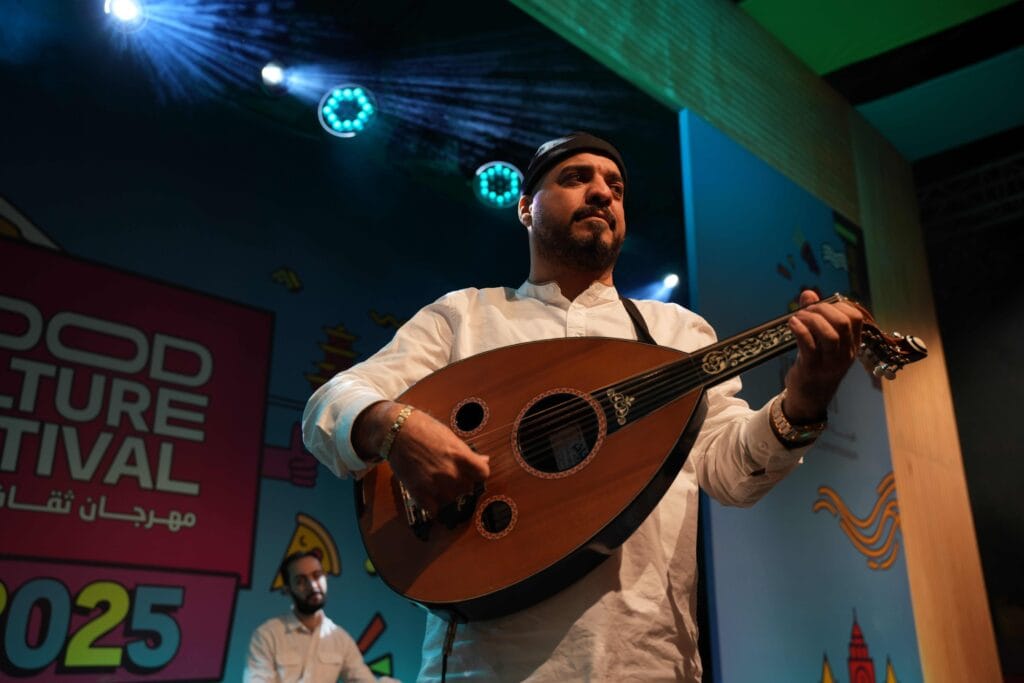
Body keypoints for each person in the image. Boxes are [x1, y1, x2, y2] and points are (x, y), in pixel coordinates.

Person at [302, 132, 864, 681]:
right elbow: (330, 404)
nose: (602, 193)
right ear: (525, 207)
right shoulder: (466, 317)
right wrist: (395, 427)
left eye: (615, 187)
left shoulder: (677, 333)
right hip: (487, 664)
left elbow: (731, 474)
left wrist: (807, 397)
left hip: (645, 659)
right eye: (576, 178)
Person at [244, 550, 381, 683]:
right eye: (301, 581)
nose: (313, 585)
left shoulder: (340, 639)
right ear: (287, 590)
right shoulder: (267, 635)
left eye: (317, 575)